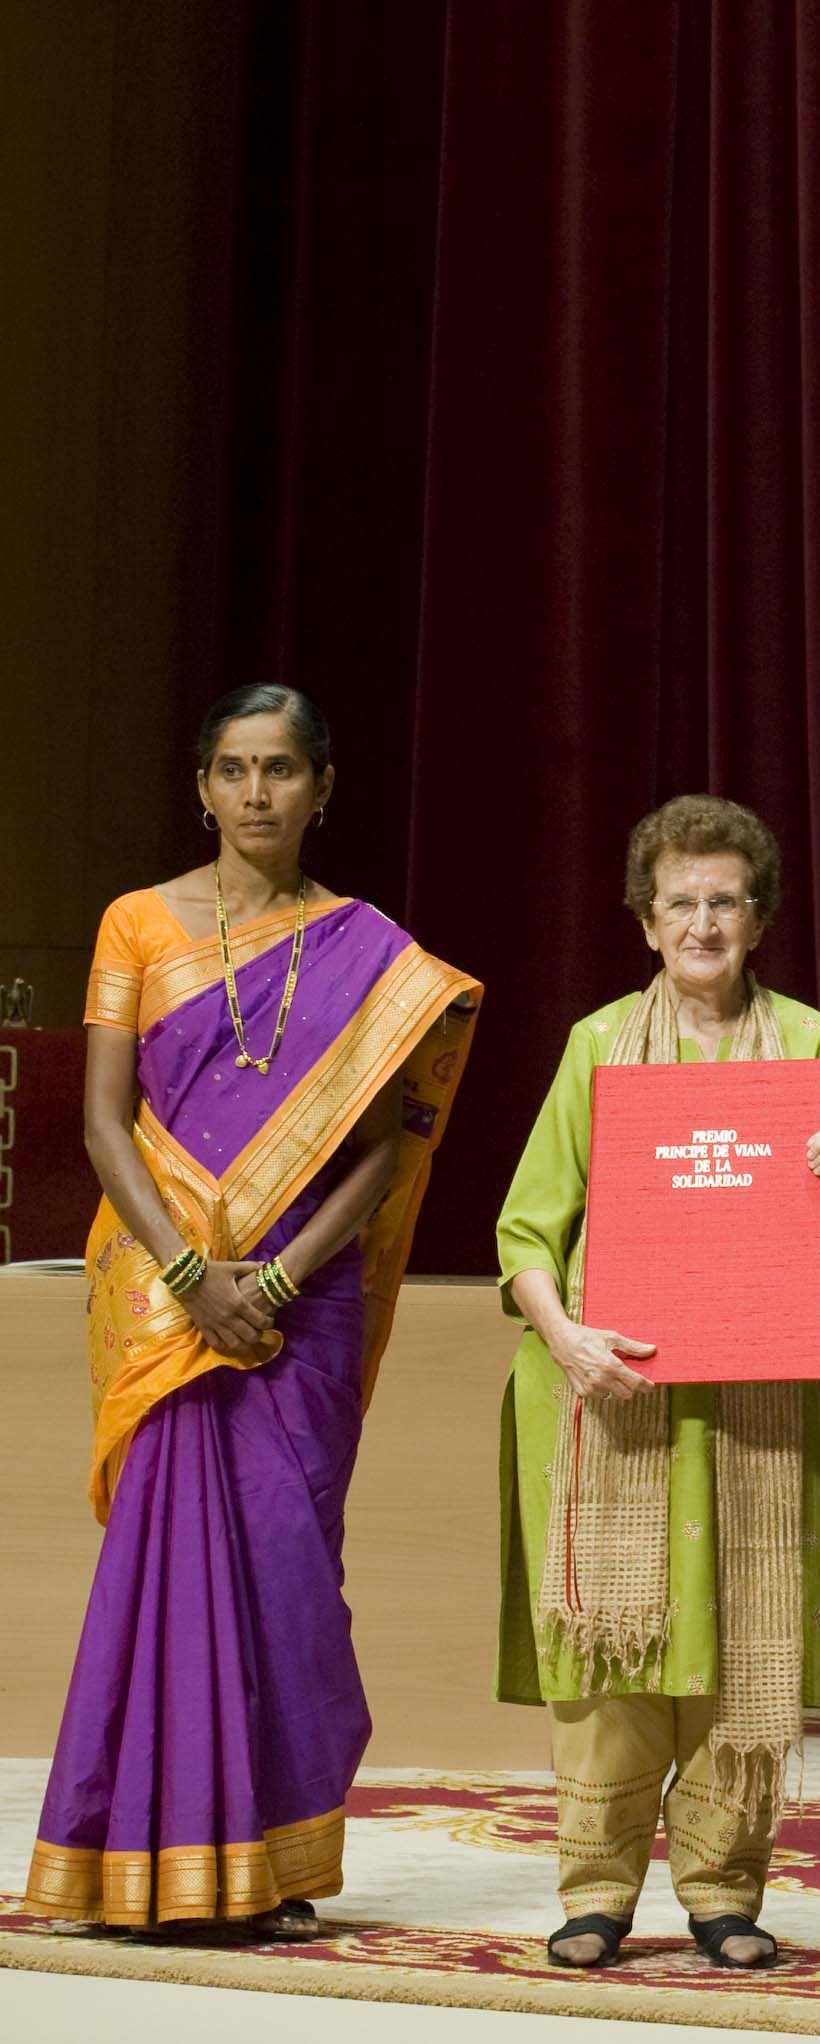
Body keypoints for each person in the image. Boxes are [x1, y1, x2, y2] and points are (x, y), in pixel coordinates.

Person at [26, 685, 480, 1933]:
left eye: (283, 769)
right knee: (161, 1568)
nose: (259, 792)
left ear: (322, 786)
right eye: (235, 769)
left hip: (303, 1303)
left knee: (287, 1570)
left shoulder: (372, 951)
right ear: (203, 787)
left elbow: (385, 1150)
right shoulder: (137, 925)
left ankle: (272, 1863)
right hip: (170, 1295)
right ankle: (143, 1856)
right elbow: (101, 1122)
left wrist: (274, 1280)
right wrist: (189, 1275)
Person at [495, 795, 820, 1972]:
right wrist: (567, 1340)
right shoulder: (600, 1044)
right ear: (645, 923)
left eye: (726, 900)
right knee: (618, 1650)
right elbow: (525, 1235)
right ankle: (597, 1892)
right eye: (681, 903)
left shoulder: (808, 1044)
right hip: (614, 1393)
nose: (703, 922)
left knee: (740, 1641)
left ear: (758, 917)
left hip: (761, 1402)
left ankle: (723, 1890)